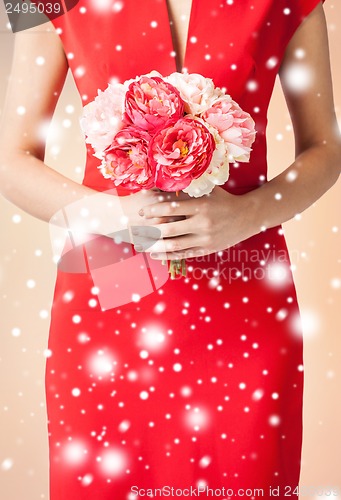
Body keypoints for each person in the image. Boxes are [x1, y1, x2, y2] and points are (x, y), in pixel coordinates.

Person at [0, 0, 340, 499]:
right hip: (109, 292)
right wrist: (114, 217)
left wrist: (248, 215)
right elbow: (10, 158)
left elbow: (327, 146)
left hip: (245, 296)